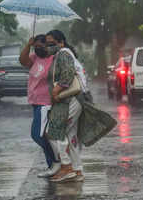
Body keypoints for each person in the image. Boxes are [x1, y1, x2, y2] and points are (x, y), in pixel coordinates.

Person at [44, 30, 85, 182]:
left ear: (61, 42)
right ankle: (77, 169)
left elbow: (68, 74)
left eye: (51, 43)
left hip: (70, 100)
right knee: (70, 135)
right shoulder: (61, 54)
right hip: (72, 100)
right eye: (47, 44)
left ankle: (66, 167)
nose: (48, 46)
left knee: (55, 131)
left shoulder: (63, 54)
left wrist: (56, 90)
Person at [19, 35, 61, 178]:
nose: (37, 49)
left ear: (46, 46)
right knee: (42, 136)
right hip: (35, 102)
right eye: (35, 47)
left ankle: (56, 162)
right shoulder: (34, 57)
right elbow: (22, 61)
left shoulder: (53, 59)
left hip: (46, 103)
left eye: (40, 46)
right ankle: (53, 164)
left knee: (38, 135)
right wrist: (28, 45)